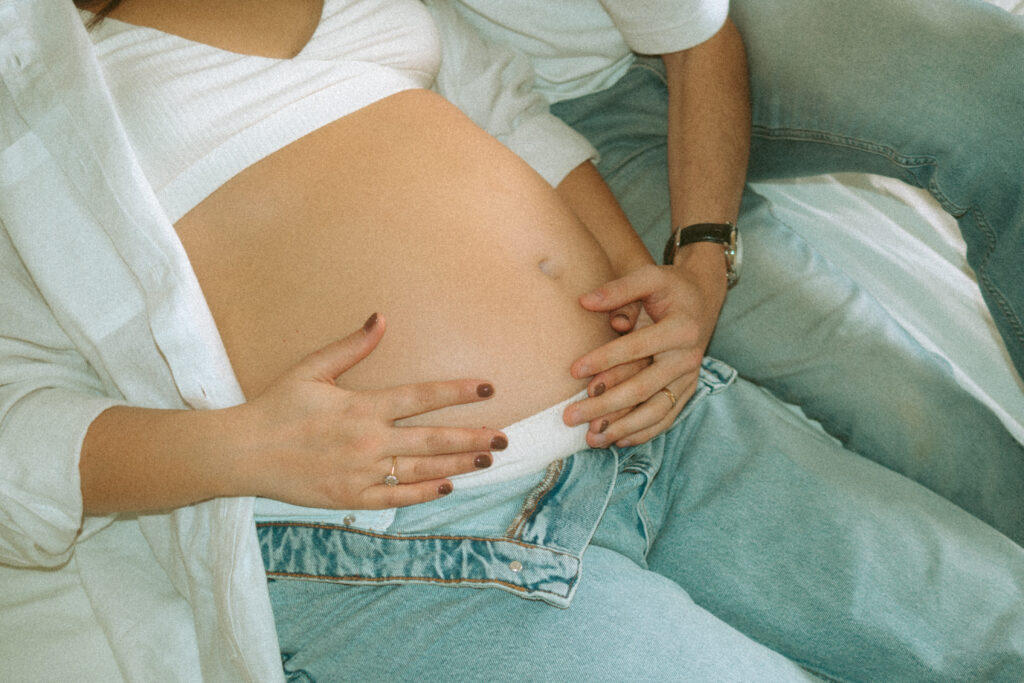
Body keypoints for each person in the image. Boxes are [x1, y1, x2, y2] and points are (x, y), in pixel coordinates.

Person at [2, 1, 1024, 680]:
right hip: (420, 547)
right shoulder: (36, 89)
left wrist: (655, 302)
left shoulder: (390, 8)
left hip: (665, 430)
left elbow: (515, 118)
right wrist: (244, 449)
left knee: (995, 628)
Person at [436, 0, 1024, 521]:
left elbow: (698, 45)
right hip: (551, 119)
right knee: (875, 383)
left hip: (716, 25)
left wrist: (705, 261)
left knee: (1002, 92)